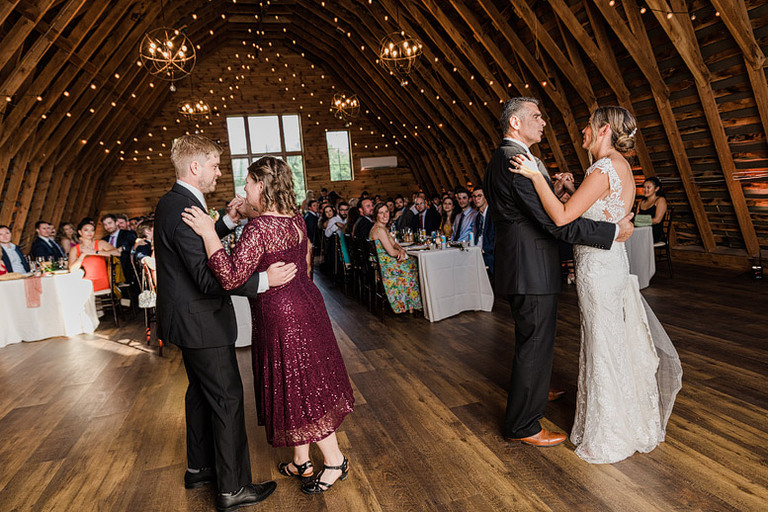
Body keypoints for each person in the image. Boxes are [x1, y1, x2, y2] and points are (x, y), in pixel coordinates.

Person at [510, 105, 682, 463]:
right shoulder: (619, 167)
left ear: (604, 130)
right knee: (608, 340)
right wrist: (573, 188)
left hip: (598, 271)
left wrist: (536, 176)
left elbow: (562, 217)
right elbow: (601, 210)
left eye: (588, 125)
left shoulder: (602, 169)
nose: (583, 131)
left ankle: (609, 434)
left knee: (602, 343)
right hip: (609, 264)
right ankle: (625, 420)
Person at [181, 156, 355, 495]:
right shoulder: (295, 218)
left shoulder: (260, 229)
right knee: (300, 383)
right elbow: (301, 259)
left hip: (283, 317)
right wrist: (243, 214)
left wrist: (208, 233)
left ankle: (335, 461)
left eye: (248, 183)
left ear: (261, 185)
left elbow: (230, 276)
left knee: (302, 387)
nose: (244, 189)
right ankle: (301, 460)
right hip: (307, 304)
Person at [484, 97, 635, 448]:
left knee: (533, 340)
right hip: (530, 267)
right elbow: (556, 222)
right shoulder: (516, 161)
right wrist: (613, 232)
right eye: (536, 116)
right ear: (516, 123)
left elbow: (531, 210)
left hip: (524, 265)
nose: (543, 122)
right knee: (535, 342)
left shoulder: (505, 157)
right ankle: (523, 425)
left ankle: (535, 389)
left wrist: (553, 190)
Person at [155, 135, 297, 511]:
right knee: (227, 398)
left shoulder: (175, 202)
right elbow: (207, 277)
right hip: (201, 321)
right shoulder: (184, 207)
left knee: (200, 395)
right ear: (195, 167)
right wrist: (264, 280)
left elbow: (195, 249)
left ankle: (200, 468)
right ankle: (233, 488)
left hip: (187, 319)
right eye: (215, 166)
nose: (220, 173)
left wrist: (226, 222)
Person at [368, 203, 422, 314]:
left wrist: (401, 250)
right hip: (385, 267)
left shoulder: (383, 228)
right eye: (381, 213)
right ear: (376, 215)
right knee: (414, 265)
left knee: (413, 261)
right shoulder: (379, 230)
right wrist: (402, 253)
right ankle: (408, 304)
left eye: (386, 212)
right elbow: (392, 252)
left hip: (385, 263)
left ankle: (410, 303)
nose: (385, 215)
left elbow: (394, 244)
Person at [68, 219, 120, 292]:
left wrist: (94, 252)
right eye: (86, 230)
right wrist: (82, 255)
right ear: (80, 232)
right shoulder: (75, 249)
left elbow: (117, 253)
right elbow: (72, 270)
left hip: (102, 281)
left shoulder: (100, 243)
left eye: (92, 230)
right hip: (85, 282)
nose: (90, 232)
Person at [636, 176, 668, 243]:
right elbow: (636, 219)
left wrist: (639, 220)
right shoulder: (641, 202)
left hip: (654, 232)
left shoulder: (660, 200)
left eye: (648, 187)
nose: (645, 190)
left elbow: (657, 220)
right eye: (644, 187)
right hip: (641, 231)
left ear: (656, 189)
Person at [471, 187, 495, 278]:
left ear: (485, 197)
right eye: (474, 196)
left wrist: (483, 250)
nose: (476, 199)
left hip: (489, 253)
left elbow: (496, 237)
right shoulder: (478, 216)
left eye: (479, 196)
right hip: (478, 251)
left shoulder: (493, 213)